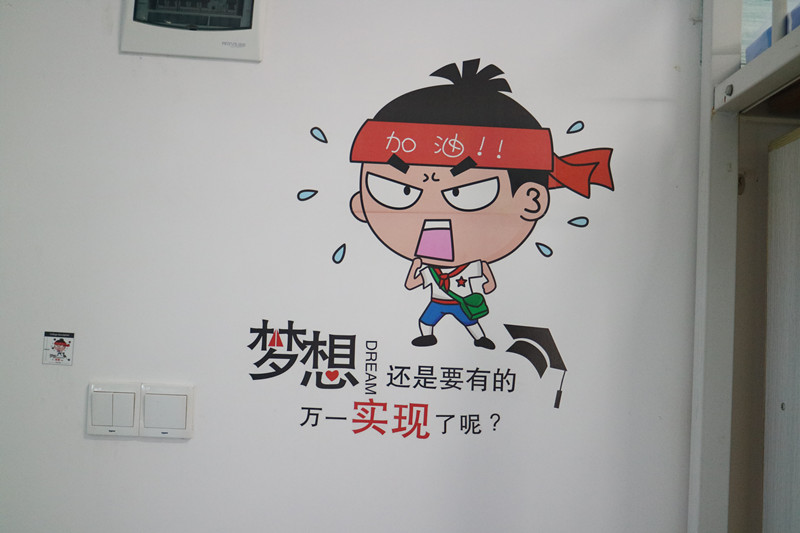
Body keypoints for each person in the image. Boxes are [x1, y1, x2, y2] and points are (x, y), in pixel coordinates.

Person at [349, 59, 613, 349]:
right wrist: (417, 268)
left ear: (531, 201)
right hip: (438, 302)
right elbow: (413, 284)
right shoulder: (430, 265)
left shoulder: (472, 263)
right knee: (429, 322)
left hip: (460, 303)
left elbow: (488, 283)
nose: (433, 215)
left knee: (470, 324)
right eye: (400, 191)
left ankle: (480, 339)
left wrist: (484, 280)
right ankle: (435, 336)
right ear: (361, 204)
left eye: (464, 193)